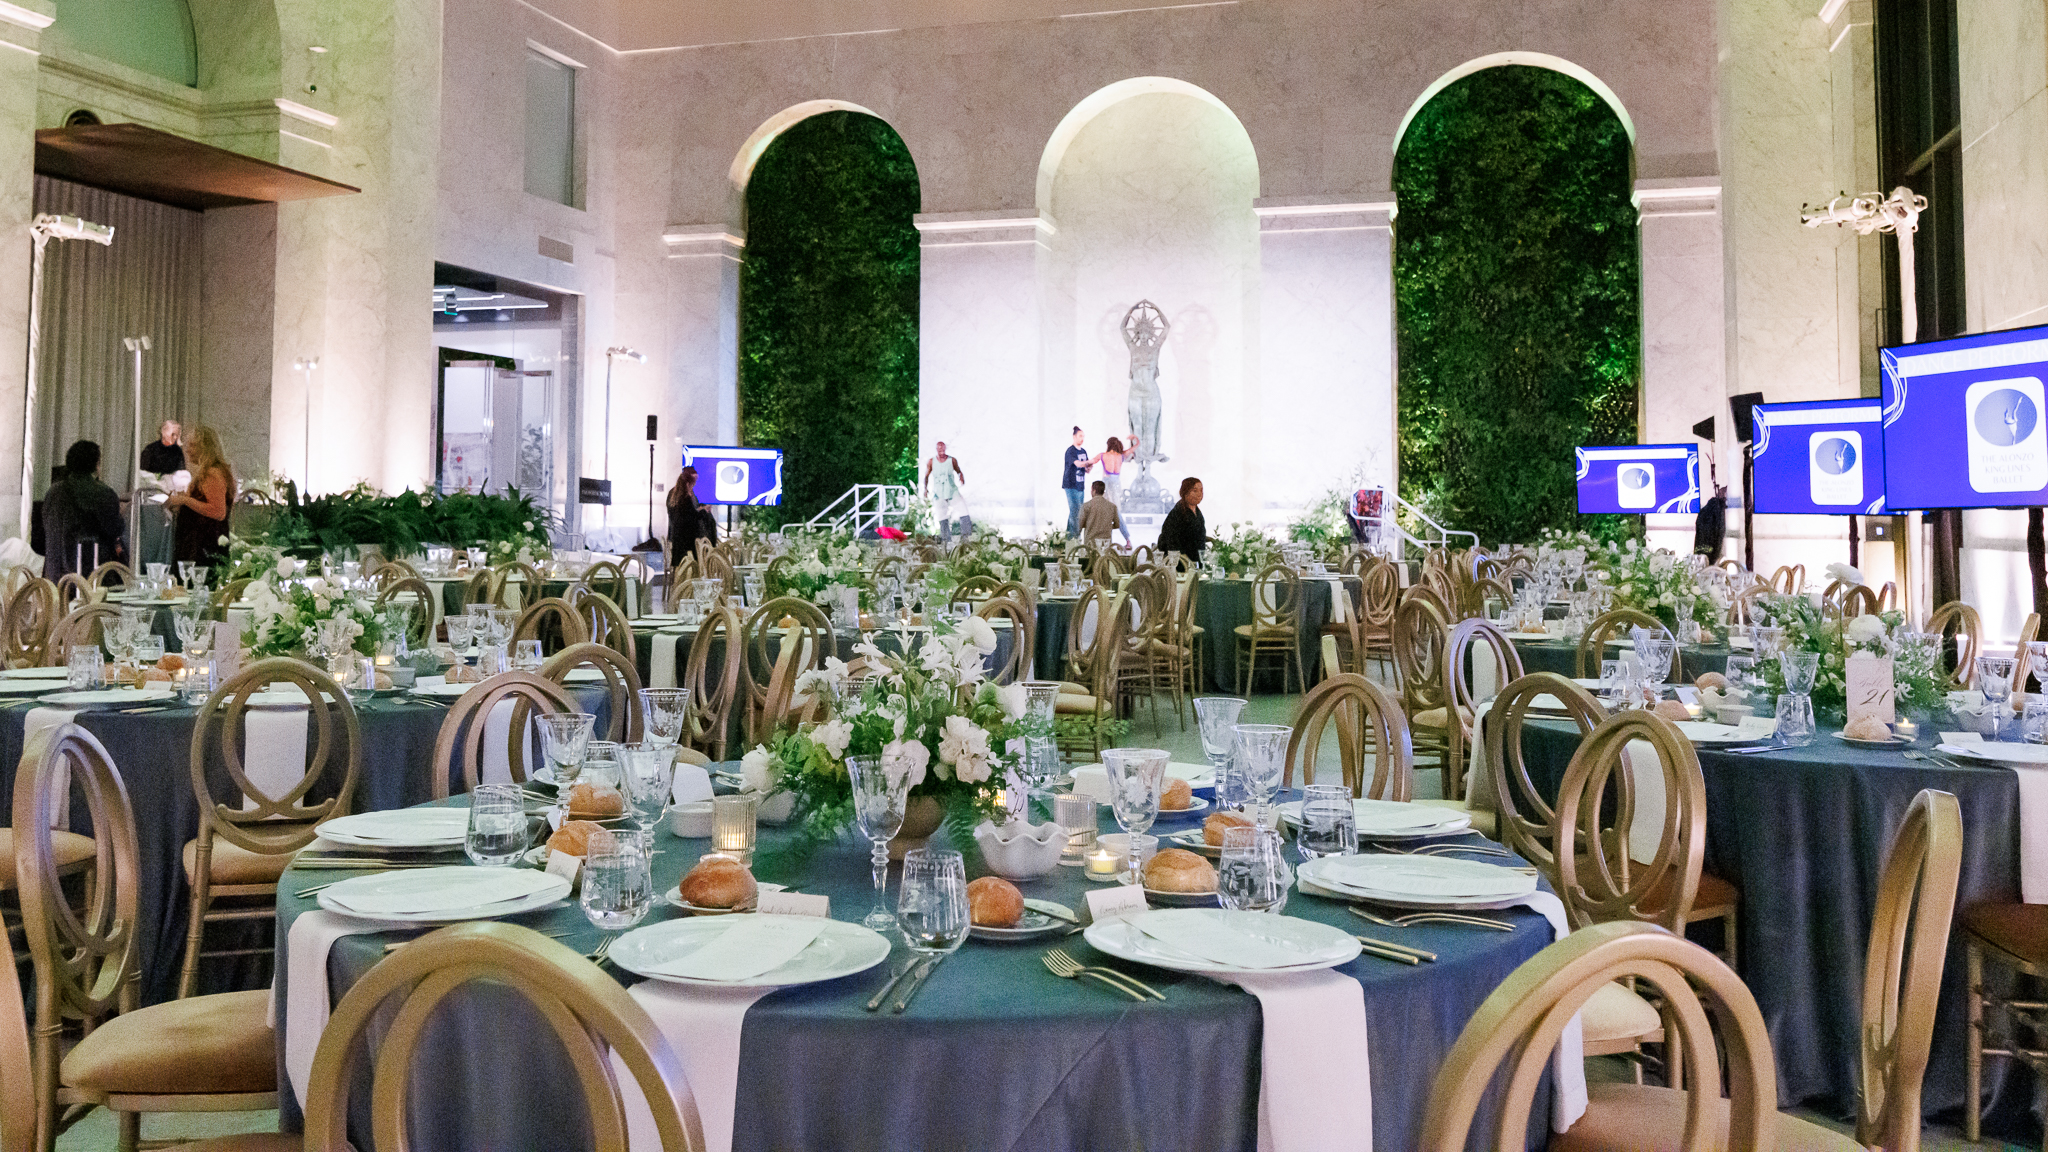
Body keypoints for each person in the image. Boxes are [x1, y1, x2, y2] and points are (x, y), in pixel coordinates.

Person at [41, 440, 125, 579]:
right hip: (89, 578)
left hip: (53, 577)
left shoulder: (52, 492)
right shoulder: (103, 493)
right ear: (96, 465)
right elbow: (113, 529)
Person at [165, 424, 235, 572]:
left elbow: (218, 512)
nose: (187, 450)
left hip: (202, 547)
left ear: (206, 448)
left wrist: (184, 500)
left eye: (193, 445)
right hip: (199, 544)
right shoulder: (211, 471)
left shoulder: (212, 473)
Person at [923, 441, 967, 542]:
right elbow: (926, 476)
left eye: (943, 449)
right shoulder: (931, 462)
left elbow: (958, 471)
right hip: (939, 492)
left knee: (963, 511)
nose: (942, 452)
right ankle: (946, 539)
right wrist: (926, 489)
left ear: (945, 449)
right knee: (942, 516)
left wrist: (961, 477)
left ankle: (966, 535)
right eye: (939, 450)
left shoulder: (952, 460)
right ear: (937, 450)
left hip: (952, 490)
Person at [1156, 476, 1207, 561]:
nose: (1199, 494)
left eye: (1201, 490)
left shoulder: (1198, 513)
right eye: (1195, 491)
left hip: (1196, 560)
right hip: (1180, 561)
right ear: (1185, 493)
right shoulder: (1177, 513)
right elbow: (1171, 541)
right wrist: (1184, 559)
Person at [667, 466, 704, 566]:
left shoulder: (674, 495)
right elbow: (690, 517)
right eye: (694, 482)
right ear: (689, 483)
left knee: (680, 566)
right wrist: (702, 511)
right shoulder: (686, 498)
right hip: (687, 539)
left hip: (677, 536)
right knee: (688, 566)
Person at [1061, 426, 1089, 537]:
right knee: (1075, 511)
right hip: (1071, 484)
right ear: (1074, 436)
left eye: (1083, 436)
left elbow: (1086, 467)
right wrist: (1090, 462)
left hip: (1080, 485)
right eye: (1080, 436)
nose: (1082, 438)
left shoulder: (1083, 451)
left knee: (1077, 511)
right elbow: (1078, 464)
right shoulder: (1070, 451)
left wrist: (1089, 466)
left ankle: (1069, 537)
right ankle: (1074, 537)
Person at [1078, 480, 1123, 545]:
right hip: (1106, 543)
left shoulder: (1086, 506)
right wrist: (1106, 526)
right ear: (1103, 492)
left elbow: (1080, 525)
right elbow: (1117, 525)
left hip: (1091, 543)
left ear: (1094, 491)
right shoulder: (1112, 507)